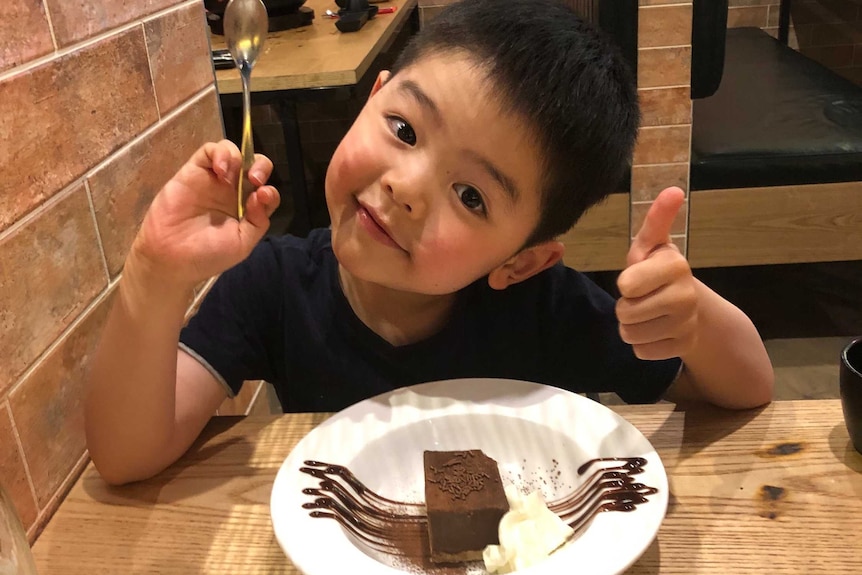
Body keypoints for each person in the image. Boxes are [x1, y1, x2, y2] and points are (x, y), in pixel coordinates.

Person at [85, 0, 774, 485]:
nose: (408, 185)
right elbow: (124, 453)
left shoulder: (546, 307)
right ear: (370, 97)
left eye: (472, 196)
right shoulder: (275, 284)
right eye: (405, 129)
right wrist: (153, 275)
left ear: (522, 259)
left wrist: (693, 317)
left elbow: (749, 386)